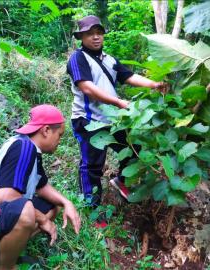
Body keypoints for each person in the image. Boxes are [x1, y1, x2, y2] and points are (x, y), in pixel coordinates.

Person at [67, 15, 167, 209]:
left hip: (112, 120)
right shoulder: (77, 59)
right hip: (88, 121)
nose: (95, 37)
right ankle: (91, 207)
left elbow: (129, 76)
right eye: (89, 34)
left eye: (98, 33)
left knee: (134, 149)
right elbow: (87, 88)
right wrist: (118, 102)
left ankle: (121, 181)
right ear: (81, 37)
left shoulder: (109, 59)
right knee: (92, 166)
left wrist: (154, 84)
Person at [0, 104, 81, 270]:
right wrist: (42, 219)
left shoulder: (27, 148)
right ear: (46, 130)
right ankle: (4, 266)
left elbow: (41, 186)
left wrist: (67, 203)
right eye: (59, 135)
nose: (59, 141)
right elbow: (4, 197)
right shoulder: (24, 148)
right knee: (25, 210)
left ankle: (5, 251)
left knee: (50, 206)